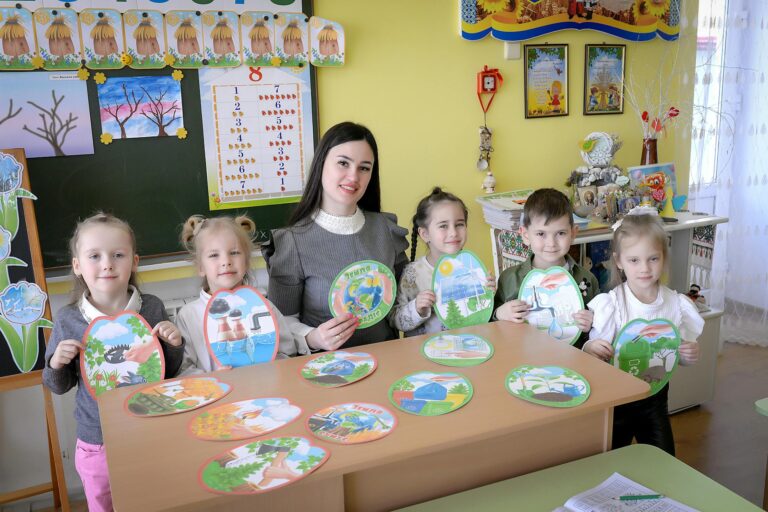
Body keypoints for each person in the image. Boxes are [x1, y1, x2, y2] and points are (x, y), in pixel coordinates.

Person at [42, 213, 185, 512]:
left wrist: (174, 345)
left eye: (118, 255)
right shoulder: (69, 319)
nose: (107, 263)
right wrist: (56, 362)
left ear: (134, 261)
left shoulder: (152, 307)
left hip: (151, 431)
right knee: (104, 505)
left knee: (156, 499)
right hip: (98, 442)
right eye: (95, 256)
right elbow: (58, 385)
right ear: (77, 266)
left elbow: (166, 373)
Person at [263, 121, 409, 351]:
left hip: (387, 362)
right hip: (326, 371)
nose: (353, 177)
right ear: (321, 164)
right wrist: (312, 337)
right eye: (343, 163)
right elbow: (281, 322)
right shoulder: (293, 241)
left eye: (364, 168)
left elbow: (406, 298)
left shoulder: (386, 229)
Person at [583, 208, 703, 455]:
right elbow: (593, 350)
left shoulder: (676, 303)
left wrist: (688, 354)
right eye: (634, 260)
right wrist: (591, 348)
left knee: (664, 459)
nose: (645, 268)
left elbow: (679, 351)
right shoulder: (613, 303)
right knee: (610, 460)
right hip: (617, 402)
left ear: (664, 256)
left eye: (653, 259)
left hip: (654, 401)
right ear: (619, 261)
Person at [176, 214, 309, 375]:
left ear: (246, 262)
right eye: (214, 255)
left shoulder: (263, 306)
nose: (226, 261)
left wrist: (271, 363)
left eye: (234, 252)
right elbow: (183, 371)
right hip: (218, 396)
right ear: (201, 268)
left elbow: (288, 352)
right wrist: (211, 379)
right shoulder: (188, 316)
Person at [493, 188, 598, 348]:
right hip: (522, 360)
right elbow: (490, 326)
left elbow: (601, 329)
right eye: (541, 234)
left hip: (573, 361)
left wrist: (592, 323)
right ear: (525, 235)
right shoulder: (509, 279)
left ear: (573, 233)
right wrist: (499, 314)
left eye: (560, 233)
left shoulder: (587, 279)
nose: (551, 243)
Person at [390, 187, 495, 337]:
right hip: (425, 353)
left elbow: (482, 315)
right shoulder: (414, 273)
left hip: (467, 347)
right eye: (443, 226)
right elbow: (395, 320)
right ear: (425, 234)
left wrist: (489, 295)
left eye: (459, 224)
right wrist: (417, 308)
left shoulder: (472, 267)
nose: (453, 232)